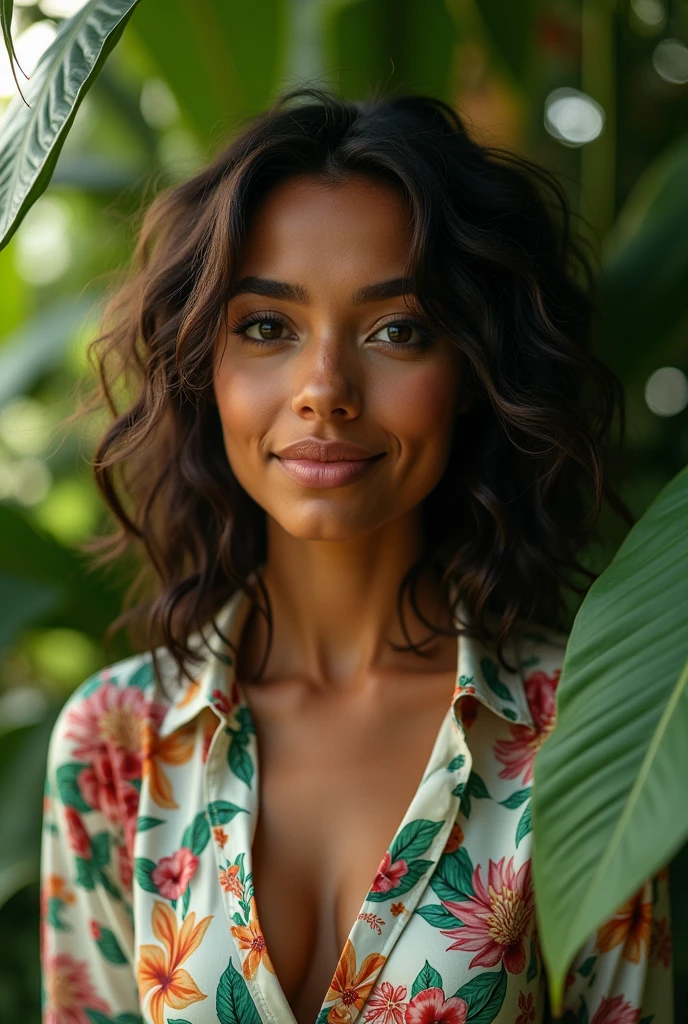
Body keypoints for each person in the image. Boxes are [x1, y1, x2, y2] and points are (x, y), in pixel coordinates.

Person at [39, 87, 673, 1024]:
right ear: (200, 367)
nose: (325, 390)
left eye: (397, 330)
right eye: (266, 326)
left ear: (470, 372)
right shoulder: (115, 745)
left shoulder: (583, 733)